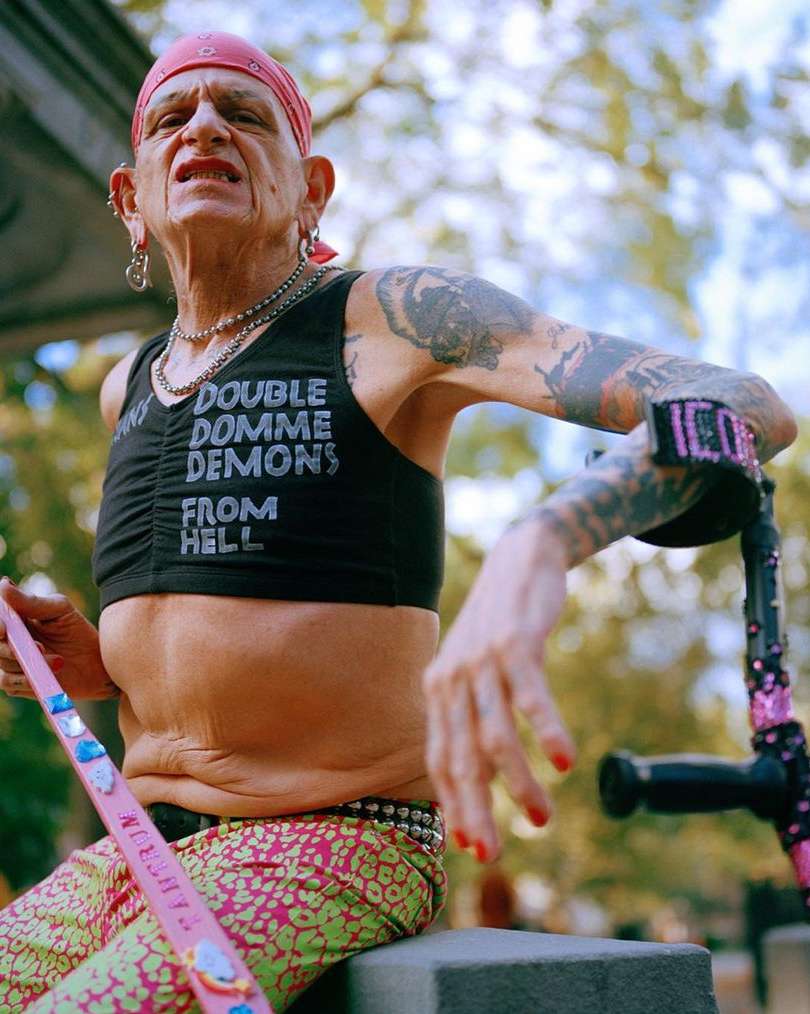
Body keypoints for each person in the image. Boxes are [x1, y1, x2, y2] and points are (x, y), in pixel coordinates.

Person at [0, 29, 796, 1013]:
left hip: (331, 844)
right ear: (132, 199)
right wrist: (97, 665)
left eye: (242, 113)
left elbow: (745, 404)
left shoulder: (390, 318)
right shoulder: (127, 385)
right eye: (172, 116)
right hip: (130, 854)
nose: (203, 127)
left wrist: (544, 538)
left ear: (313, 188)